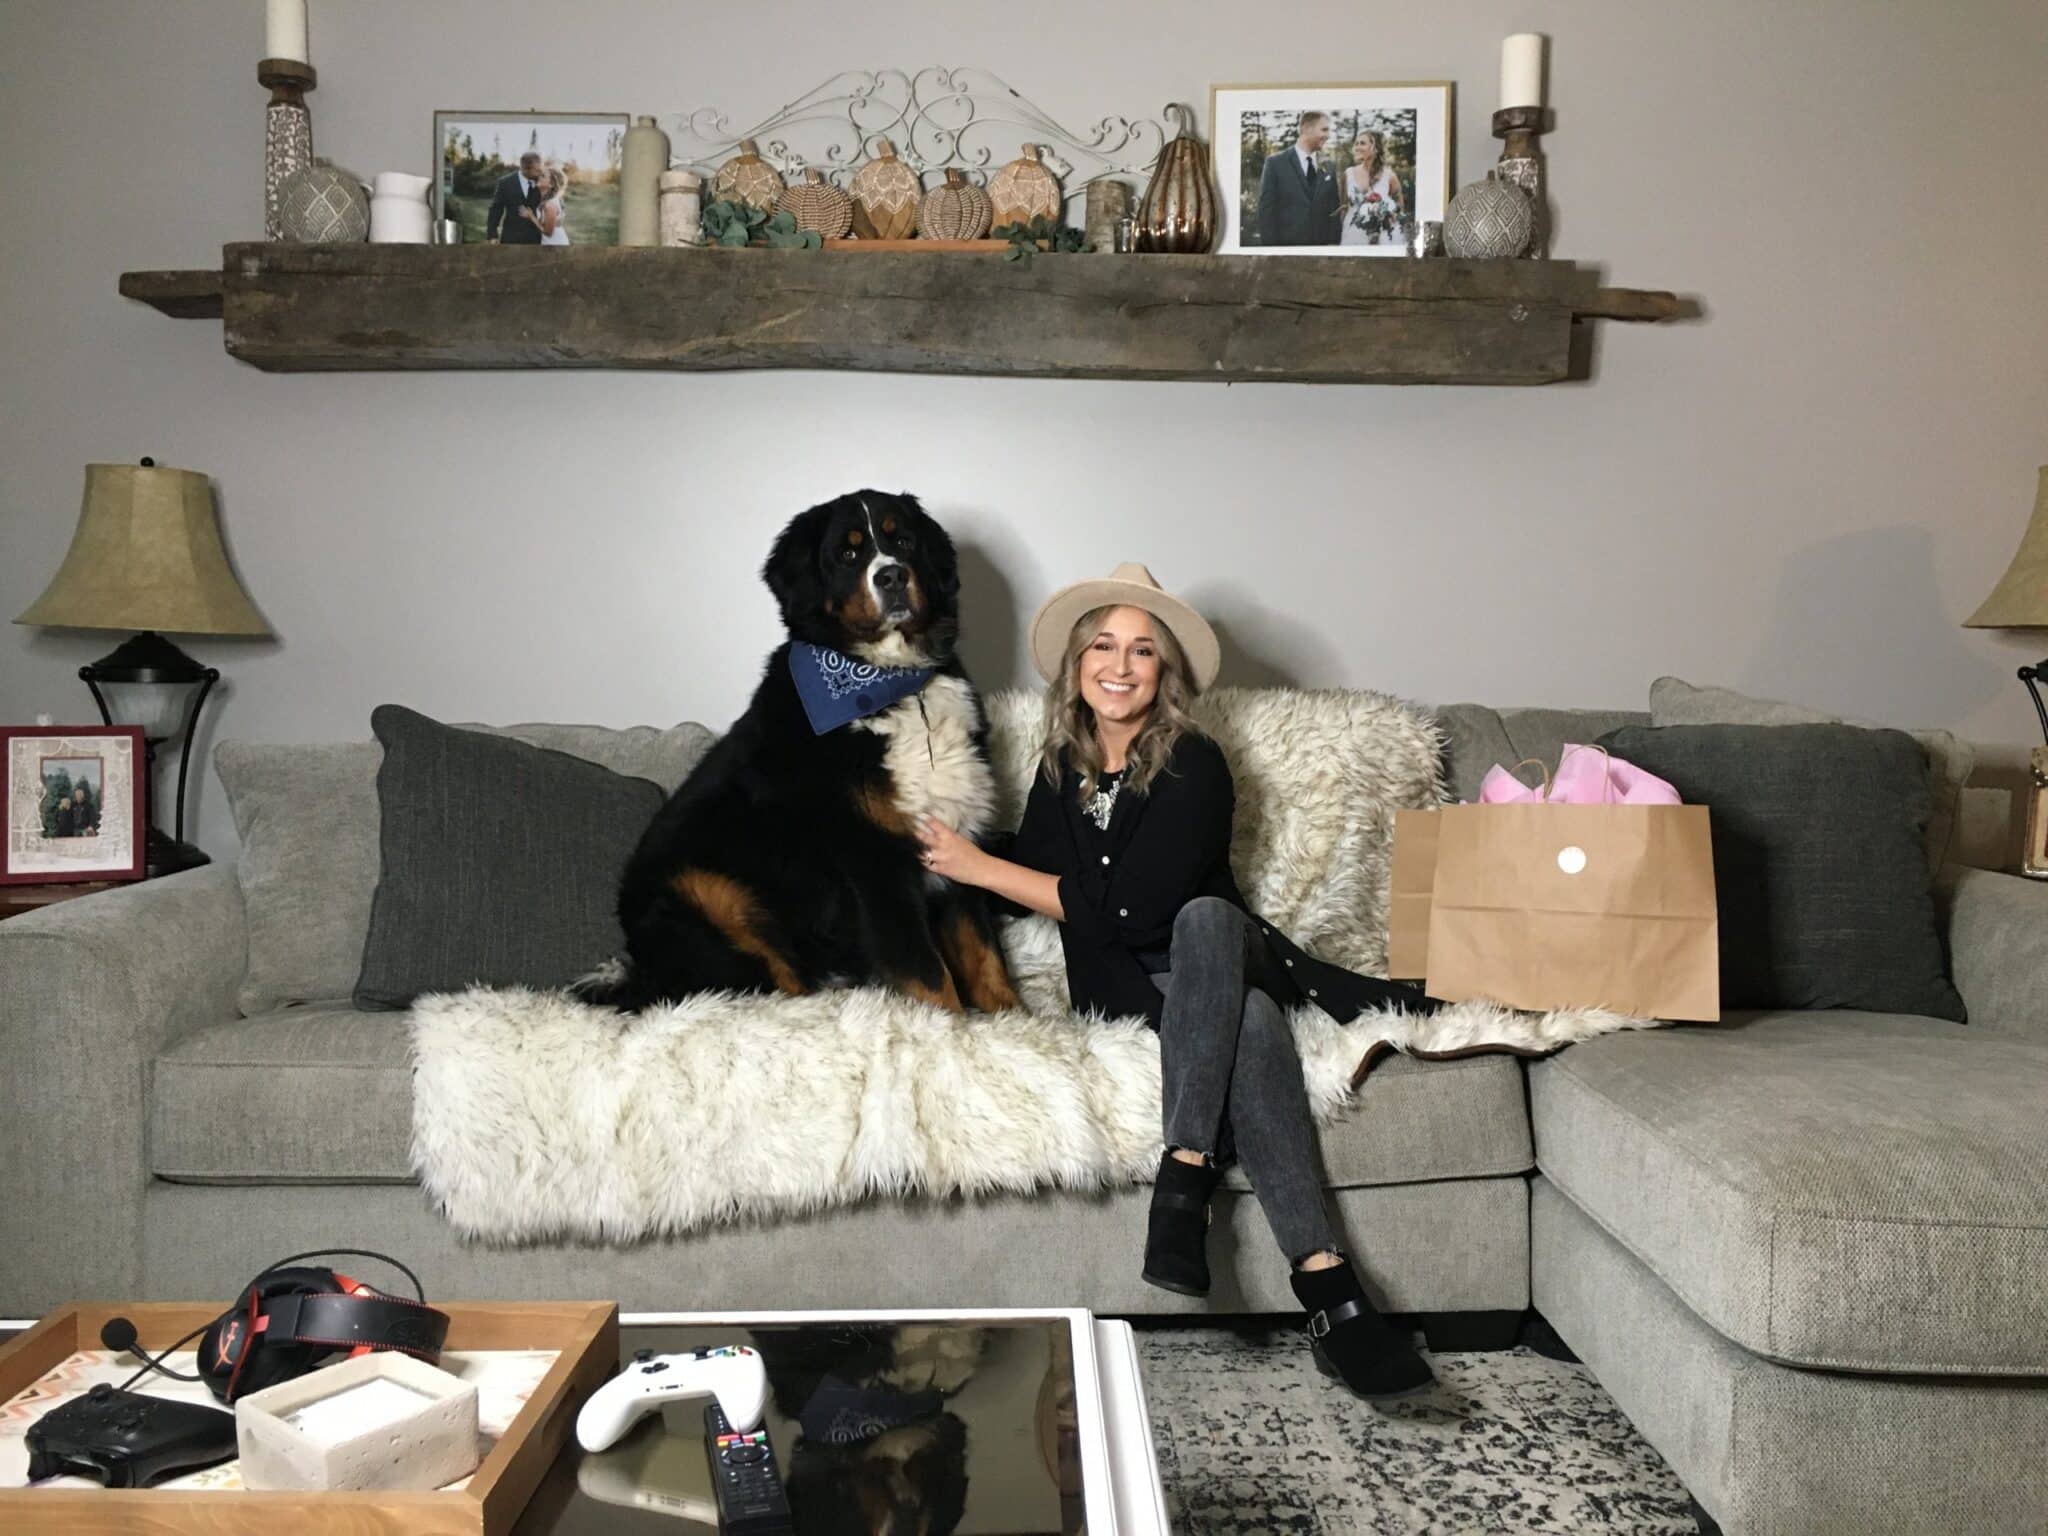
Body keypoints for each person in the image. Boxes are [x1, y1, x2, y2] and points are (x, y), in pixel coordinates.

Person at [917, 564, 1439, 1400]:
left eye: (1142, 650)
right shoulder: (1059, 769)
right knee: (1255, 1028)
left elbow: (1133, 910)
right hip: (1133, 994)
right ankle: (1332, 1298)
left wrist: (983, 868)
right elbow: (1040, 875)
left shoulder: (1196, 762)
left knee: (1205, 918)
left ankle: (1184, 1176)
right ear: (1077, 665)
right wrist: (960, 852)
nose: (1120, 665)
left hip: (1218, 955)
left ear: (1165, 674)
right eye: (1103, 646)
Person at [1254, 110, 1341, 247]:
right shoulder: (1275, 164)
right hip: (1287, 249)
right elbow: (1266, 212)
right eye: (1324, 130)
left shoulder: (1329, 166)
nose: (1328, 136)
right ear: (1307, 129)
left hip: (1321, 250)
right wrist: (1273, 251)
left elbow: (1334, 210)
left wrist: (1332, 245)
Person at [1340, 131, 1406, 247]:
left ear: (1375, 148)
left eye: (1362, 143)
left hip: (1381, 237)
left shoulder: (1390, 176)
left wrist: (1383, 222)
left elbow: (1399, 212)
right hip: (1352, 235)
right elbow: (1343, 209)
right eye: (1356, 144)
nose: (1357, 147)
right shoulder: (1348, 174)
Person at [488, 151, 546, 244]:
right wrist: (492, 235)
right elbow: (496, 209)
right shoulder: (505, 183)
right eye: (537, 170)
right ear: (526, 169)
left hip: (536, 239)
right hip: (511, 237)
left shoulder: (542, 182)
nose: (540, 173)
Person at [521, 165, 570, 245]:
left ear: (551, 184)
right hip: (547, 243)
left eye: (543, 176)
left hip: (555, 243)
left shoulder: (550, 204)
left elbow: (548, 233)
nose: (539, 177)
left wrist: (531, 217)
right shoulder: (546, 199)